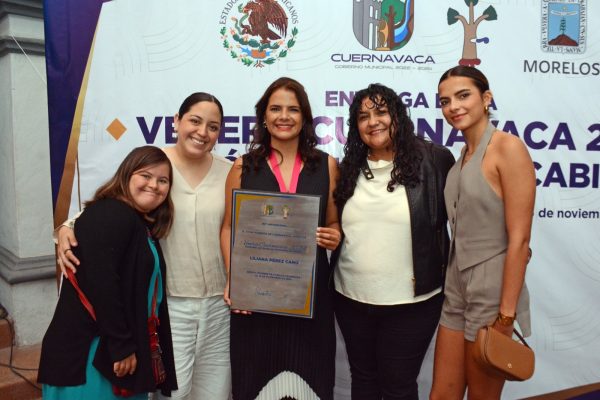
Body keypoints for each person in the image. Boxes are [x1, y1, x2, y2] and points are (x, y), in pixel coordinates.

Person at [56, 93, 232, 399]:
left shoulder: (229, 171)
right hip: (171, 305)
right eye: (195, 120)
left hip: (220, 305)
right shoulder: (155, 165)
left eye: (213, 126)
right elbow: (110, 203)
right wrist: (66, 227)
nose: (202, 132)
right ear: (176, 121)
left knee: (216, 392)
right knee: (173, 393)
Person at [220, 77, 341, 400]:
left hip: (310, 301)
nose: (284, 116)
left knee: (313, 386)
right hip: (256, 301)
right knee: (252, 385)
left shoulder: (327, 166)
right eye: (275, 109)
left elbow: (334, 222)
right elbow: (229, 228)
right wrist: (235, 279)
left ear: (305, 117)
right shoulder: (243, 167)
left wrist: (334, 235)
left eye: (293, 109)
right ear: (264, 116)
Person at [331, 83, 455, 400]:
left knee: (398, 386)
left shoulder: (435, 160)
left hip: (412, 304)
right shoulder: (348, 168)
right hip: (350, 299)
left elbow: (463, 221)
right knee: (363, 381)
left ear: (397, 116)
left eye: (381, 112)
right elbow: (337, 226)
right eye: (363, 117)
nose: (373, 122)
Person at [39, 146, 177, 399]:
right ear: (126, 175)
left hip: (109, 352)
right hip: (91, 356)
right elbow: (102, 284)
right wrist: (121, 346)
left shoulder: (134, 220)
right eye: (145, 176)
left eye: (163, 180)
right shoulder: (111, 213)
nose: (154, 185)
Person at [430, 66, 535, 400]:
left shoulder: (508, 148)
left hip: (492, 289)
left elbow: (520, 240)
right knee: (441, 395)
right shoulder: (461, 157)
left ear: (486, 98)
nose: (453, 107)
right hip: (456, 284)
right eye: (445, 101)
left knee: (482, 396)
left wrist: (506, 316)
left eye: (463, 96)